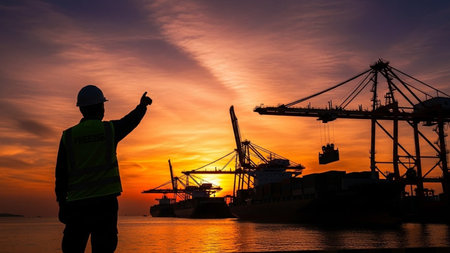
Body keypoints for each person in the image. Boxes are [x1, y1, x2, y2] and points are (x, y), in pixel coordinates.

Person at [55, 85, 152, 253]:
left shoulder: (69, 136)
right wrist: (142, 106)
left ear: (81, 109)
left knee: (72, 248)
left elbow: (61, 176)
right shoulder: (109, 130)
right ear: (101, 107)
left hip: (77, 207)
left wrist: (62, 206)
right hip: (105, 206)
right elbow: (130, 121)